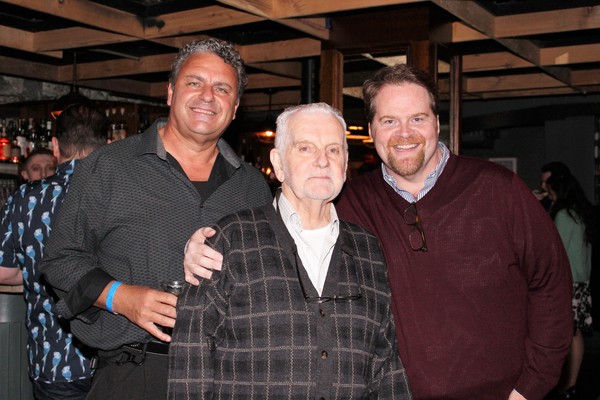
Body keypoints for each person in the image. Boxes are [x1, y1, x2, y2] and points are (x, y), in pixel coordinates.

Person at [183, 64, 573, 400]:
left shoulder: (498, 190)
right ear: (371, 130)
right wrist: (199, 244)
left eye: (417, 118)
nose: (404, 133)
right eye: (389, 121)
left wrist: (530, 388)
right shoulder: (352, 201)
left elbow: (552, 285)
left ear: (437, 123)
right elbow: (284, 216)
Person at [41, 38, 273, 400]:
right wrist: (120, 296)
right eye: (194, 82)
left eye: (222, 88)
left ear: (235, 106)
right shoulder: (109, 166)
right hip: (135, 372)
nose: (207, 96)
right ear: (170, 92)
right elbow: (60, 259)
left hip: (230, 376)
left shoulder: (253, 187)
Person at [168, 102, 412, 399]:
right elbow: (190, 356)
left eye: (333, 150)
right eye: (306, 148)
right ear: (279, 163)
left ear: (346, 164)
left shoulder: (367, 248)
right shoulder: (230, 240)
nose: (323, 161)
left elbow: (385, 365)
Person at [0, 103, 108, 400]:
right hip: (117, 360)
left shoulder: (26, 197)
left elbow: (4, 271)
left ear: (56, 146)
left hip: (54, 359)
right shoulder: (123, 193)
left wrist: (36, 270)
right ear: (109, 145)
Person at [545, 170, 594, 400]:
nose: (549, 194)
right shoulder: (579, 213)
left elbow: (557, 250)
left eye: (550, 190)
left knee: (567, 334)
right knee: (575, 334)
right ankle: (571, 384)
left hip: (569, 280)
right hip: (581, 280)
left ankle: (568, 384)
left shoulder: (564, 215)